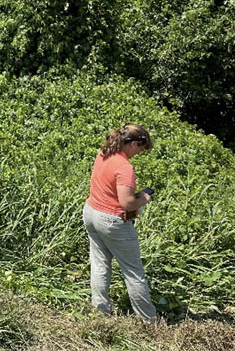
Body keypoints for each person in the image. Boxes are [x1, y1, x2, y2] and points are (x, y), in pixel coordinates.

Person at [82, 124, 157, 323]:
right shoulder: (125, 167)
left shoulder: (104, 152)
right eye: (140, 148)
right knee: (133, 271)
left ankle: (100, 310)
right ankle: (148, 321)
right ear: (133, 143)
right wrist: (143, 199)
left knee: (99, 263)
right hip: (112, 220)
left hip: (91, 212)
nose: (139, 153)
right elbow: (126, 203)